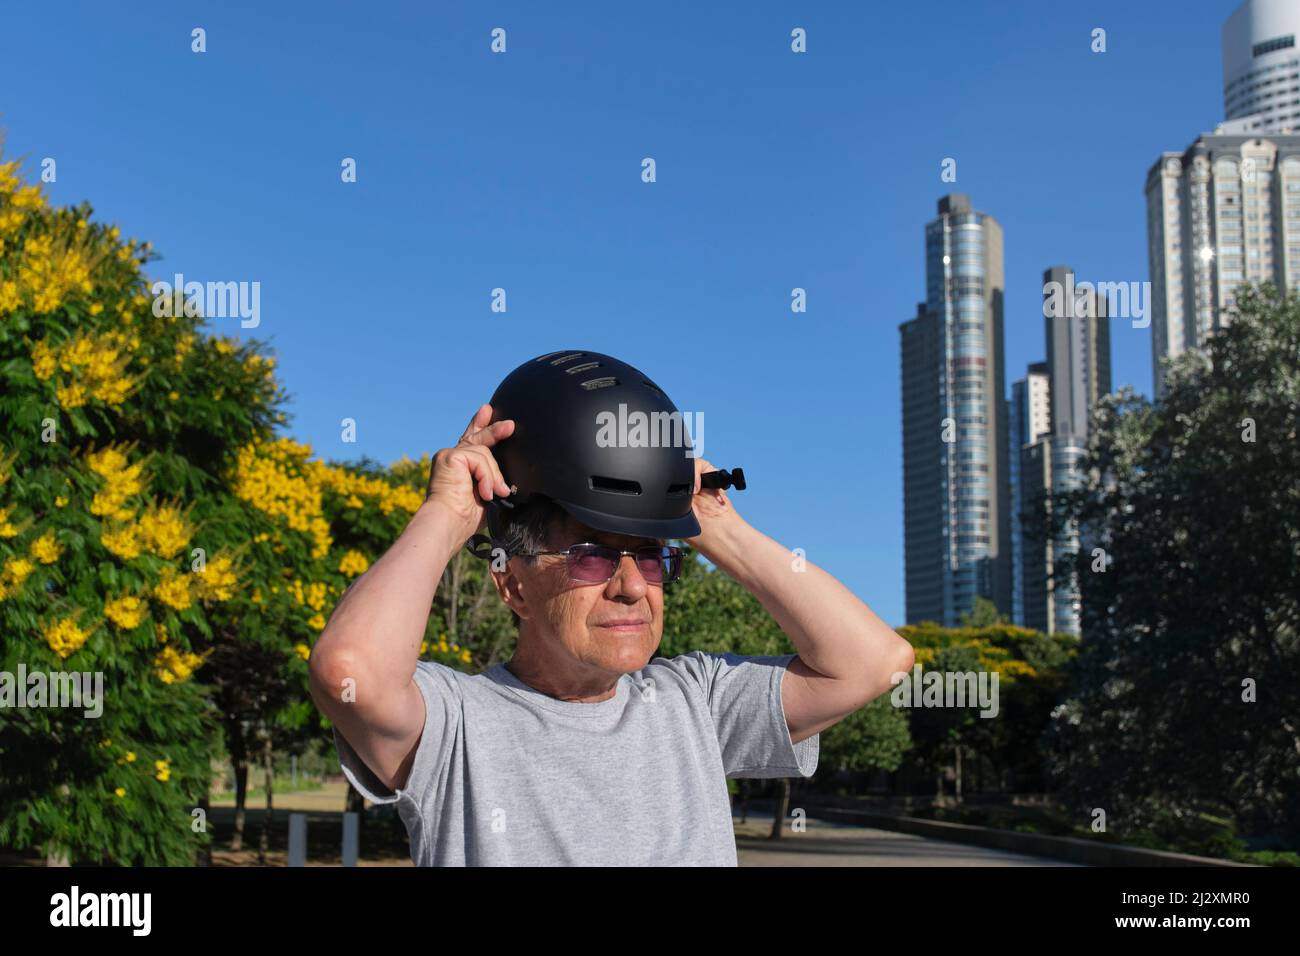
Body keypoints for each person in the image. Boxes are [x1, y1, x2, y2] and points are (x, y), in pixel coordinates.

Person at [309, 350, 914, 865]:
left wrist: (714, 527)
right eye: (591, 556)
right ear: (511, 584)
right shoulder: (457, 724)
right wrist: (448, 513)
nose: (631, 586)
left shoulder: (695, 704)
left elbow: (874, 662)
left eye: (651, 557)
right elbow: (348, 674)